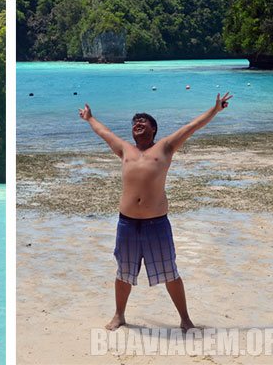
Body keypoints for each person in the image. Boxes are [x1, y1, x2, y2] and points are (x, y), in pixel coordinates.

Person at [79, 93, 233, 331]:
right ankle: (119, 315)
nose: (137, 124)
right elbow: (104, 132)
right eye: (134, 122)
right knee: (123, 272)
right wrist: (89, 118)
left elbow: (192, 126)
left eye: (142, 121)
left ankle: (185, 319)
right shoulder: (125, 150)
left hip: (156, 224)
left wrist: (215, 110)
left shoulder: (165, 147)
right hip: (127, 224)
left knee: (170, 272)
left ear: (153, 129)